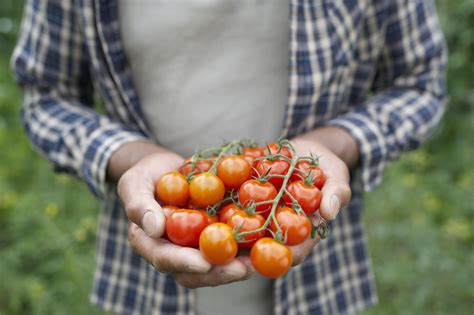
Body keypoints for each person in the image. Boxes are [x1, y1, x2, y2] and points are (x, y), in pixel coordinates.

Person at [11, 0, 447, 314]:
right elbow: (46, 96)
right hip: (145, 277)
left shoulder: (272, 195)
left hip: (319, 282)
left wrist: (334, 143)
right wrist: (131, 157)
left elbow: (421, 81)